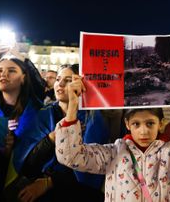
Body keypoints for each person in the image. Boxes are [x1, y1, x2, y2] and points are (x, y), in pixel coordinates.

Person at [55, 73, 170, 201]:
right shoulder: (113, 153)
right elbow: (71, 156)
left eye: (150, 123)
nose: (143, 131)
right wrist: (73, 108)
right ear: (127, 124)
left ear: (161, 124)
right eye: (136, 124)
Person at [17, 64, 109, 202]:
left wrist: (50, 182)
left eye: (67, 80)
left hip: (78, 192)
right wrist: (52, 138)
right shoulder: (43, 114)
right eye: (58, 79)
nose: (59, 84)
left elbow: (91, 167)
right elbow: (28, 164)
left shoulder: (93, 117)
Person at [0, 54, 42, 201]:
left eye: (11, 70)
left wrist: (13, 148)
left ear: (24, 78)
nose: (3, 74)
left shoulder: (38, 110)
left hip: (21, 184)